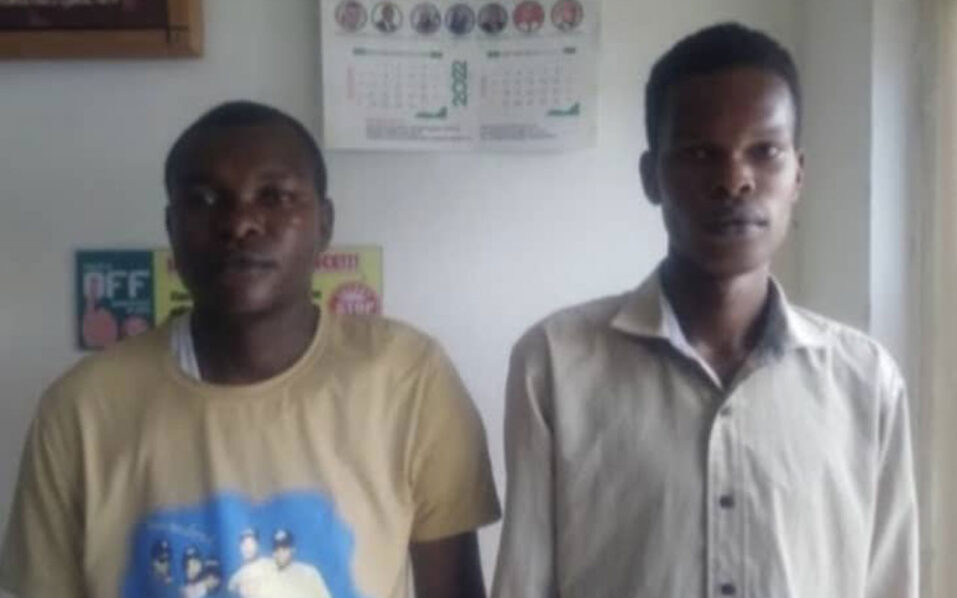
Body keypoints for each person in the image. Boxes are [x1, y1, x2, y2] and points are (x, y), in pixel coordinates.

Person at [0, 100, 500, 598]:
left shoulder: (408, 379)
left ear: (324, 224)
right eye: (204, 199)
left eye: (275, 196)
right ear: (172, 228)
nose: (240, 223)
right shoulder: (81, 410)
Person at [492, 23, 918, 598]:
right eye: (699, 153)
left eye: (764, 152)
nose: (734, 180)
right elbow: (524, 584)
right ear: (652, 178)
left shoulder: (865, 383)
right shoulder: (556, 365)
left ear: (798, 175)